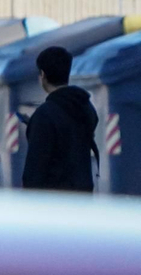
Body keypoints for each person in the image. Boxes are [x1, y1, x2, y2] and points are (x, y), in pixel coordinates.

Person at [22, 45, 99, 193]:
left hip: (54, 200)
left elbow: (34, 171)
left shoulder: (44, 114)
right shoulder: (84, 106)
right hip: (83, 195)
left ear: (43, 74)